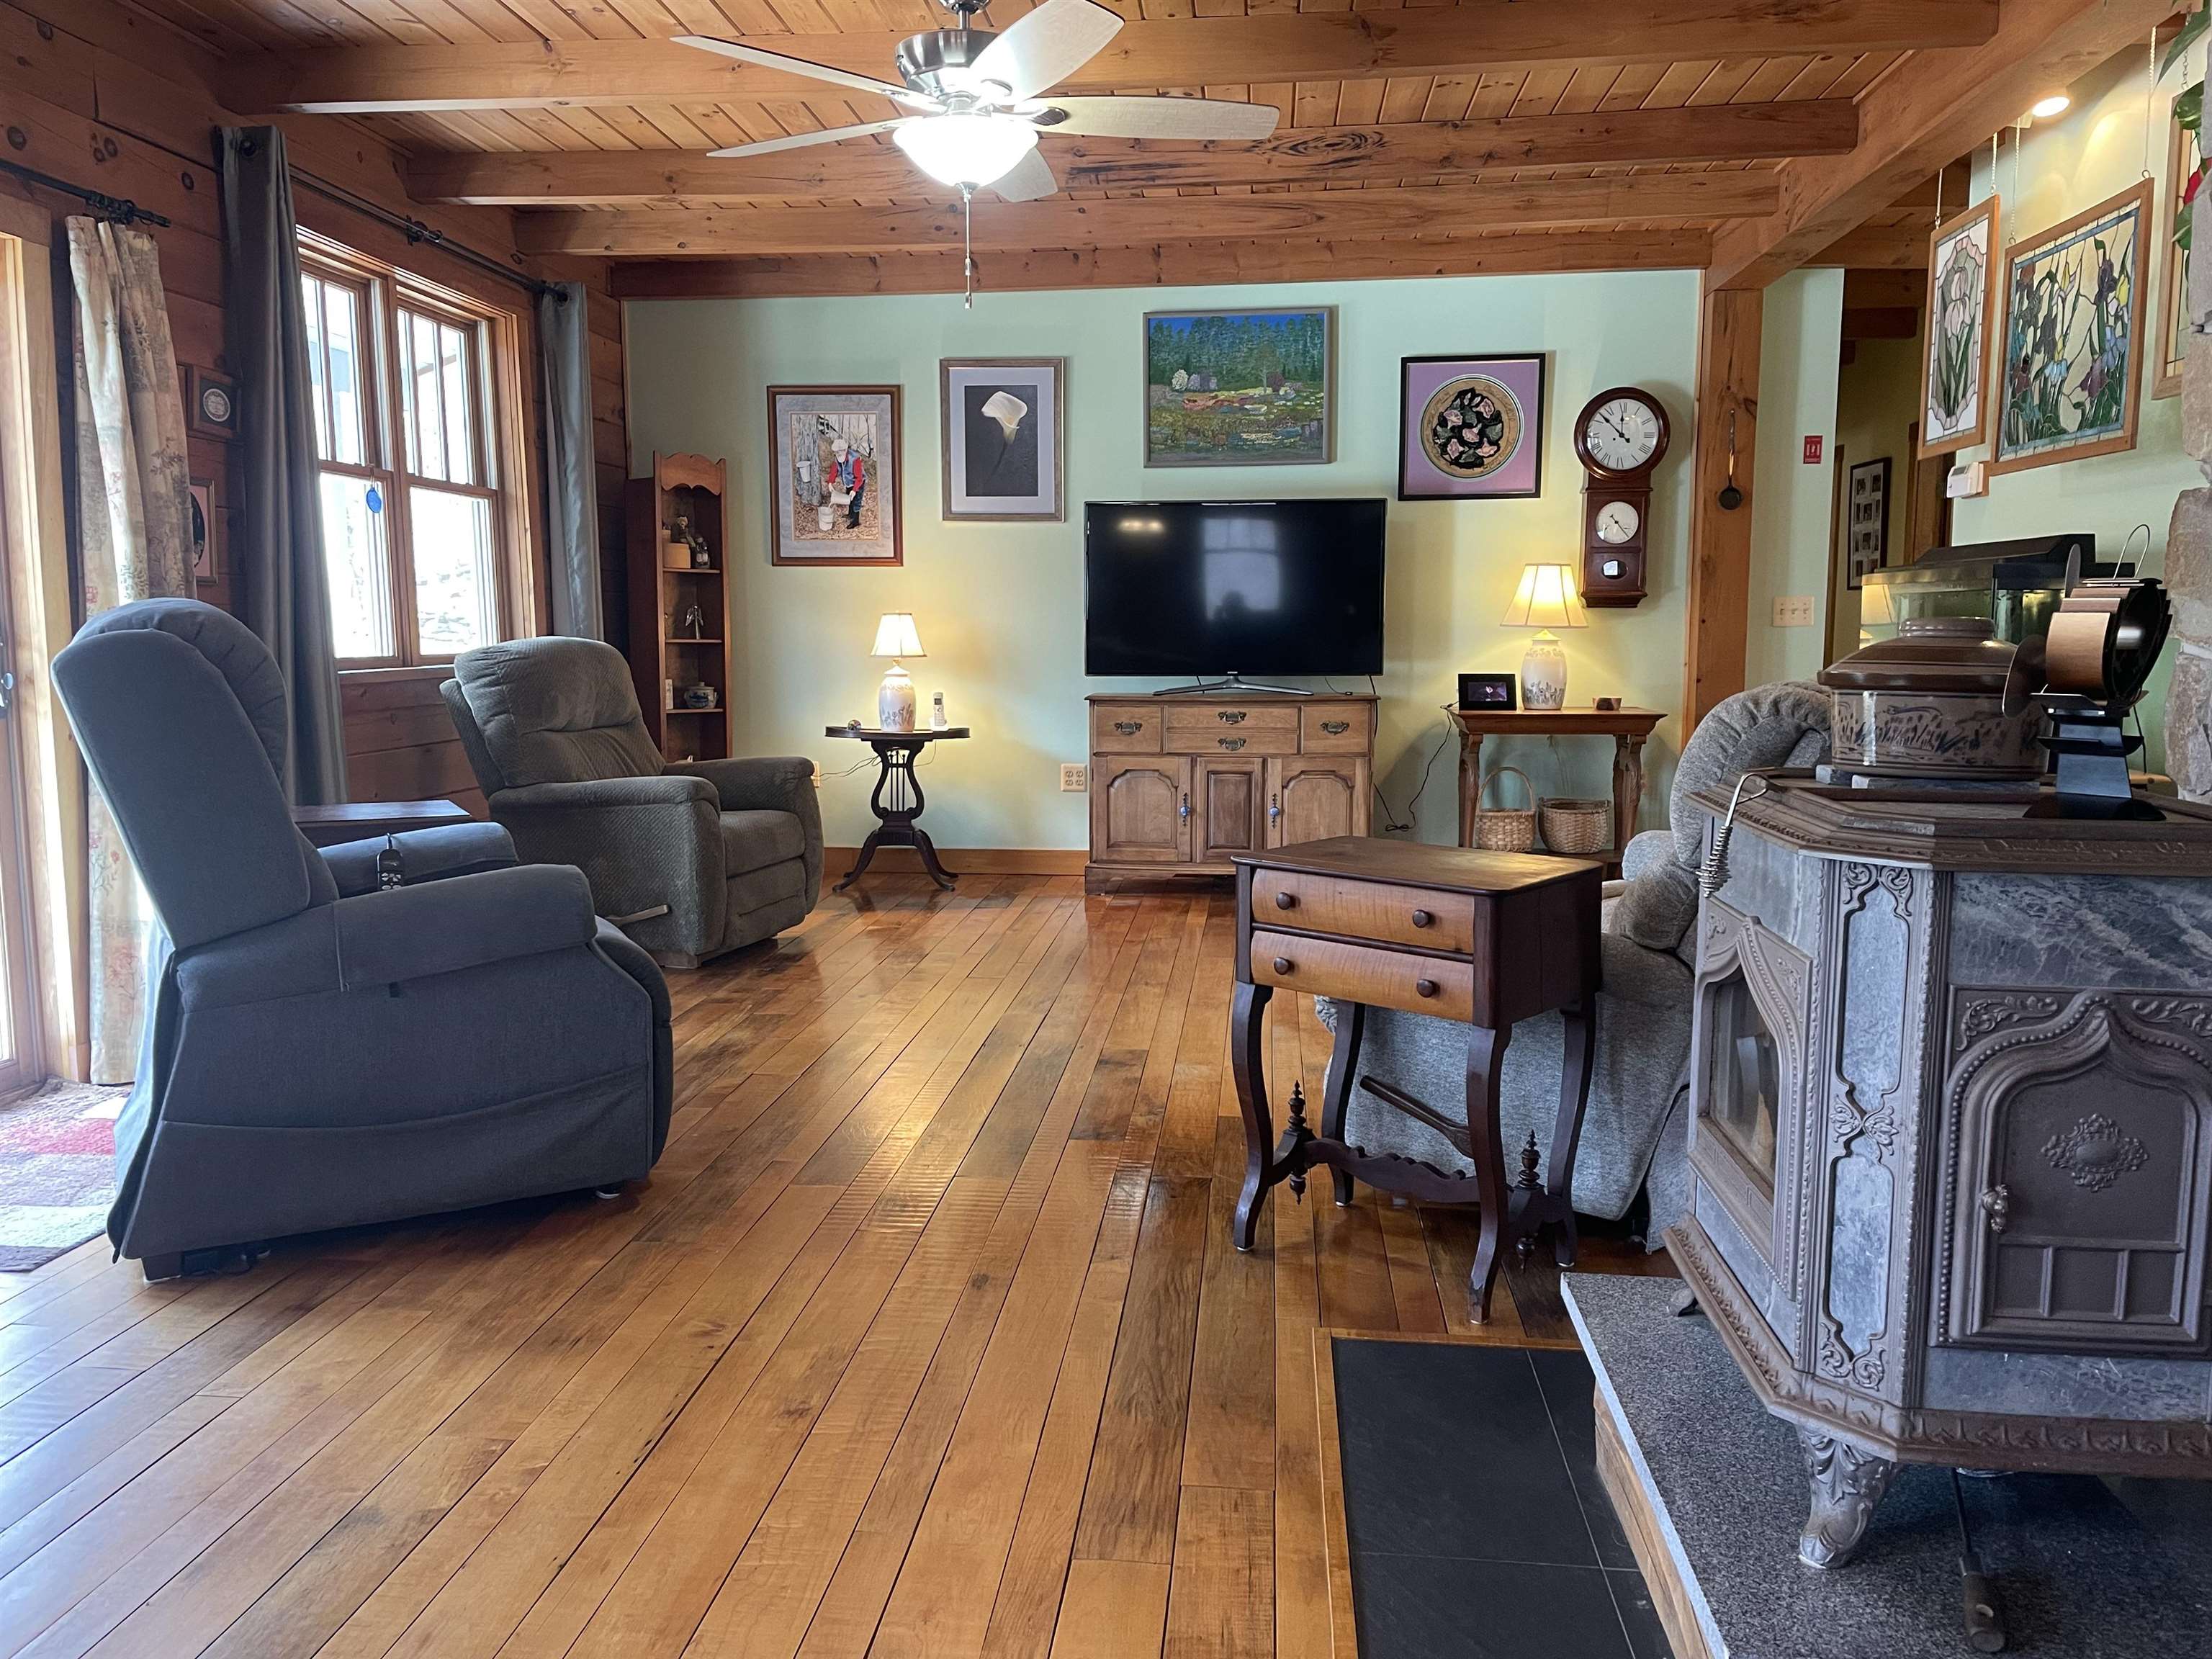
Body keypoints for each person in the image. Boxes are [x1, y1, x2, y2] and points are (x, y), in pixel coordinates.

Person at [828, 436, 866, 530]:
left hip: (858, 483)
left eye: (840, 452)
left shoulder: (855, 459)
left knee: (856, 501)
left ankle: (855, 521)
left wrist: (855, 490)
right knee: (850, 499)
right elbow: (834, 470)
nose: (838, 455)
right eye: (837, 453)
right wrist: (830, 482)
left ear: (845, 450)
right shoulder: (837, 458)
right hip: (849, 482)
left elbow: (859, 478)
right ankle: (850, 515)